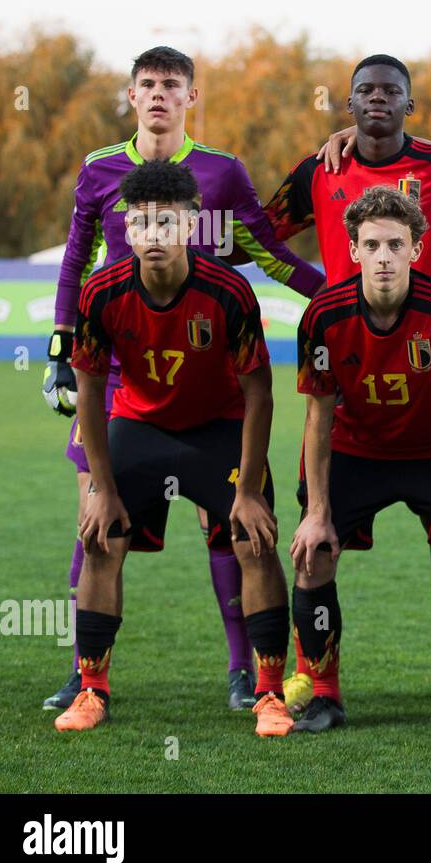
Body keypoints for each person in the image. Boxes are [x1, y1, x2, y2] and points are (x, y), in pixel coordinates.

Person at [41, 45, 323, 713]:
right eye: (148, 84)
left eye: (172, 83)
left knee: (225, 522)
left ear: (191, 97)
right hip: (118, 368)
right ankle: (85, 674)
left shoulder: (221, 173)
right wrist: (59, 344)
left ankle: (241, 672)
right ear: (132, 96)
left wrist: (338, 298)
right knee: (94, 515)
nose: (160, 94)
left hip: (204, 369)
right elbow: (79, 255)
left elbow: (268, 253)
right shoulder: (99, 170)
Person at [267, 54, 431, 718]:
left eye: (391, 92)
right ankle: (317, 686)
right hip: (354, 441)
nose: (377, 100)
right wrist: (309, 282)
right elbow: (252, 233)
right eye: (365, 92)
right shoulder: (320, 174)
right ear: (348, 105)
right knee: (312, 548)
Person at [56, 159, 294, 738]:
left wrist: (248, 490)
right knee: (99, 538)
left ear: (190, 226)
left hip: (218, 428)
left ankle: (268, 693)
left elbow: (259, 395)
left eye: (167, 223)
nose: (154, 234)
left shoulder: (229, 290)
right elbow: (89, 391)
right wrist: (101, 488)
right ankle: (92, 689)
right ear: (128, 231)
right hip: (139, 426)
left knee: (255, 541)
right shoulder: (102, 292)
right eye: (142, 223)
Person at [289, 186, 431, 735]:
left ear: (416, 250)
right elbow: (318, 418)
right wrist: (318, 510)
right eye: (372, 244)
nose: (383, 256)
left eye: (395, 245)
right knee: (313, 554)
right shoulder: (324, 316)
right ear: (352, 250)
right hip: (357, 453)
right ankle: (325, 695)